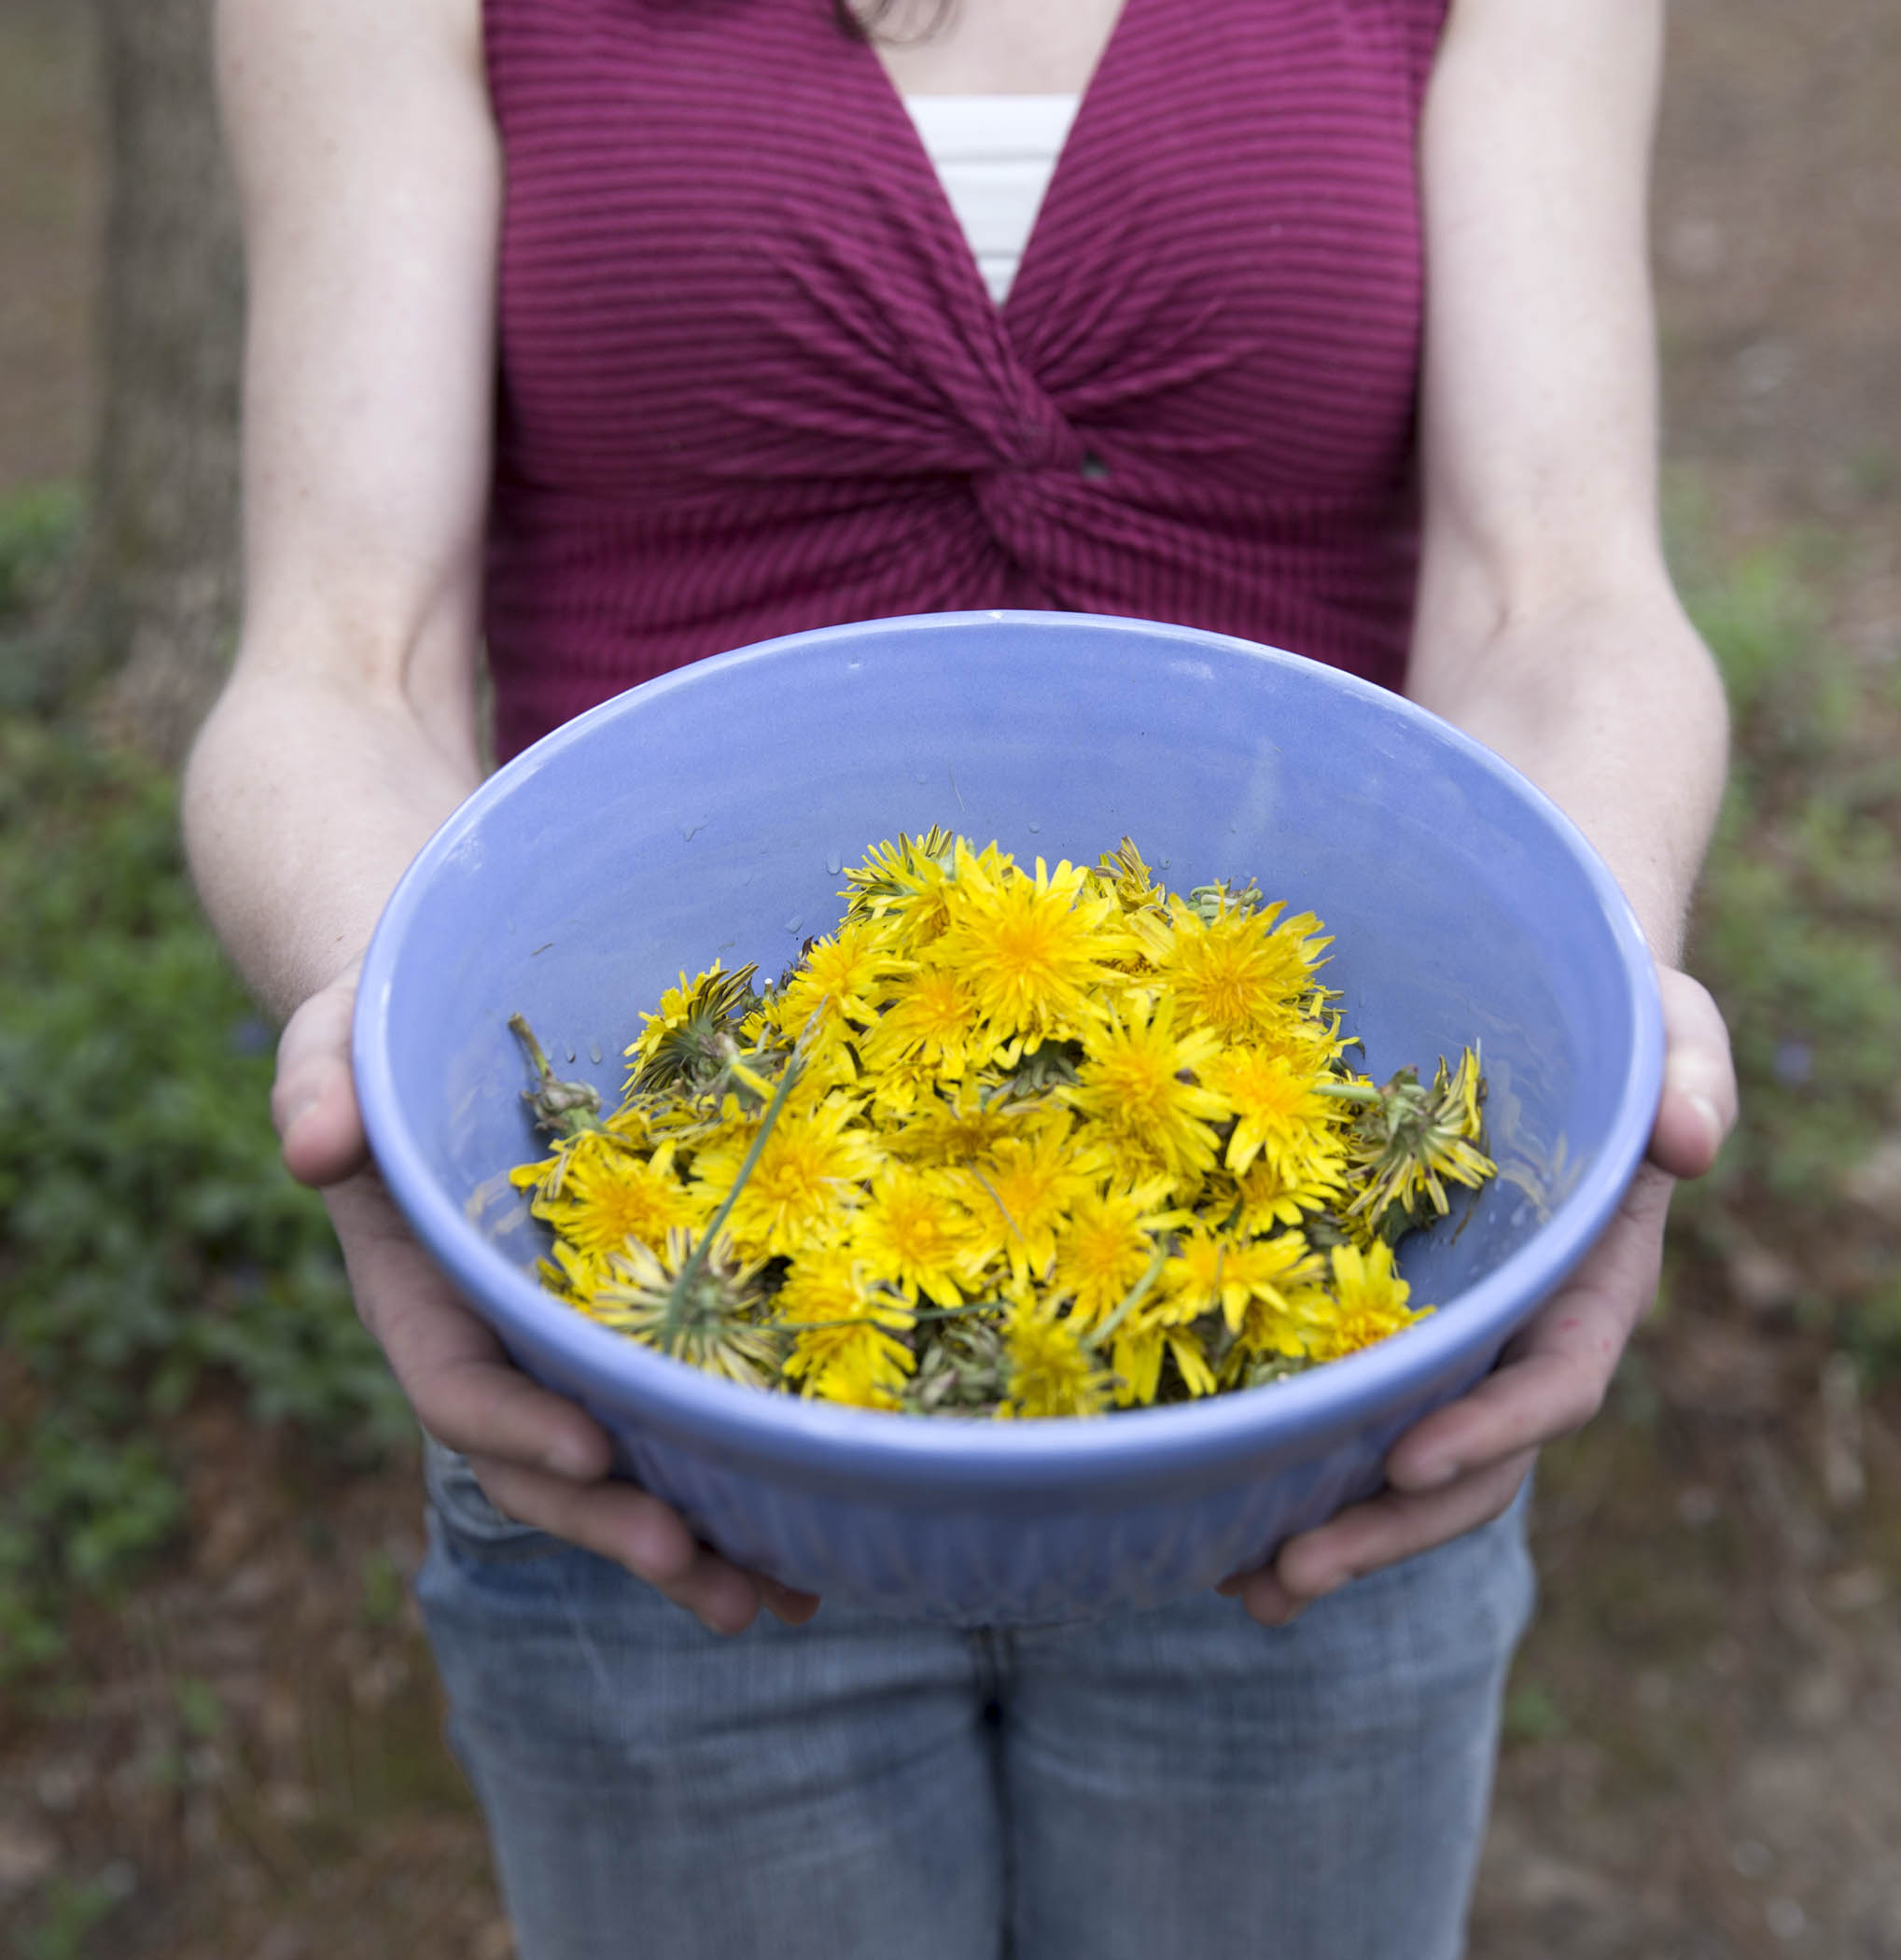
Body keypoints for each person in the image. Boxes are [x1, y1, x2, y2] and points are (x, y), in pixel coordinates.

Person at [183, 0, 1739, 1953]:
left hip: (1317, 1368)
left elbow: (1562, 597)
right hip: (664, 1372)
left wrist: (1594, 1009)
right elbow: (339, 659)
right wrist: (387, 1028)